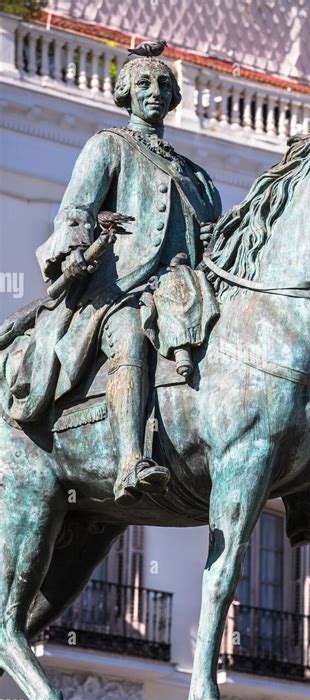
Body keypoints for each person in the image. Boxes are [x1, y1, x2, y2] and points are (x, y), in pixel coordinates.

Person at [3, 54, 221, 505]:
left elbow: (209, 235)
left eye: (163, 85)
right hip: (122, 291)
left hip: (185, 288)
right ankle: (129, 460)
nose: (155, 92)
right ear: (125, 94)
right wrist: (76, 249)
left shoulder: (196, 175)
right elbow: (75, 212)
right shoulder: (109, 146)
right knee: (130, 336)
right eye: (143, 83)